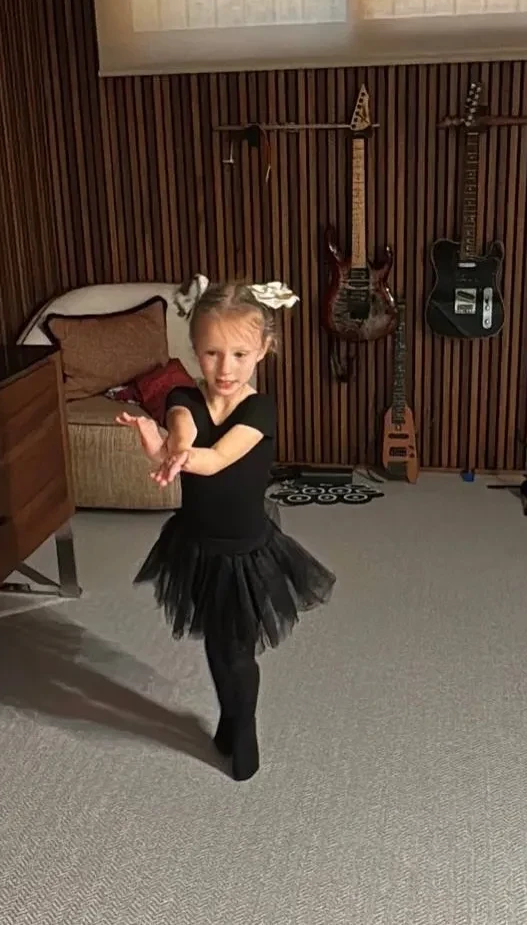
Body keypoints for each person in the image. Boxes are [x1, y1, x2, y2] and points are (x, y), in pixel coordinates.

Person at [116, 283, 335, 781]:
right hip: (197, 547)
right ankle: (230, 716)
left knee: (238, 651)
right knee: (216, 645)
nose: (225, 368)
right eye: (212, 353)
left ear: (263, 349)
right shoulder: (182, 398)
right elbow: (184, 434)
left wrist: (177, 456)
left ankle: (245, 725)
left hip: (246, 552)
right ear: (195, 350)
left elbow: (214, 459)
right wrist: (159, 446)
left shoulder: (259, 411)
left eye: (239, 354)